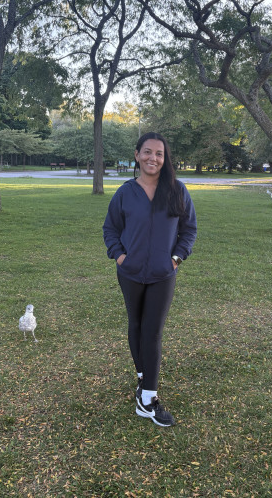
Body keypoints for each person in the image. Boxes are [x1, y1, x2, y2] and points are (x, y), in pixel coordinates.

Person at [103, 132, 197, 427]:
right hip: (129, 273)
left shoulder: (177, 190)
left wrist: (176, 258)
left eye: (159, 153)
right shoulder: (125, 193)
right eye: (147, 152)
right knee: (136, 324)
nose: (152, 158)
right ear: (137, 155)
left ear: (165, 159)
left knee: (153, 331)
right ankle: (142, 376)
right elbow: (110, 229)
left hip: (162, 274)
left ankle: (148, 399)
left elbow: (189, 230)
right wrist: (120, 256)